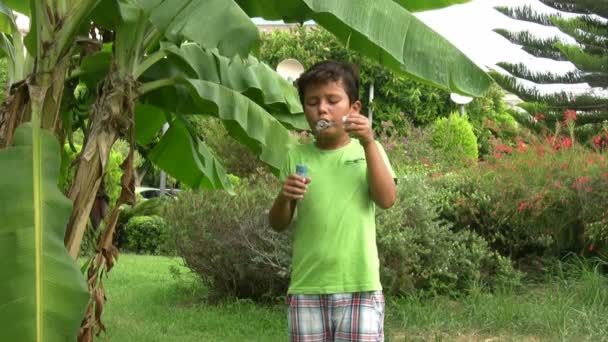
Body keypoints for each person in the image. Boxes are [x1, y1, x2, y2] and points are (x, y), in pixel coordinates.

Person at [269, 60, 397, 342]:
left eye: (332, 100)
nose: (322, 109)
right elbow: (278, 223)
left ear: (354, 109)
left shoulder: (369, 151)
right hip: (307, 286)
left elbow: (387, 199)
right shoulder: (297, 157)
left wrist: (369, 143)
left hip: (360, 286)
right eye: (312, 102)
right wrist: (284, 196)